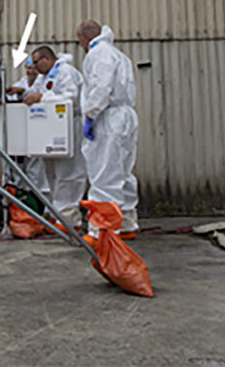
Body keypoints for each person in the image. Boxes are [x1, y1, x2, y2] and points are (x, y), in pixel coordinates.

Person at [76, 20, 139, 241]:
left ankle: (102, 231)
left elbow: (100, 87)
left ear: (85, 37)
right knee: (123, 171)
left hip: (108, 117)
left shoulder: (98, 54)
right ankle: (127, 223)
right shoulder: (118, 55)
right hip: (126, 115)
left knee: (104, 174)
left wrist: (91, 115)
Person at [19, 45, 87, 230]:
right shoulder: (45, 77)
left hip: (67, 126)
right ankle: (56, 213)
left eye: (36, 62)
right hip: (50, 128)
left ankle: (70, 220)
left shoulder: (66, 72)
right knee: (52, 173)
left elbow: (70, 97)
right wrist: (21, 92)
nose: (34, 66)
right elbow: (37, 92)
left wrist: (41, 97)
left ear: (47, 59)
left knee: (68, 173)